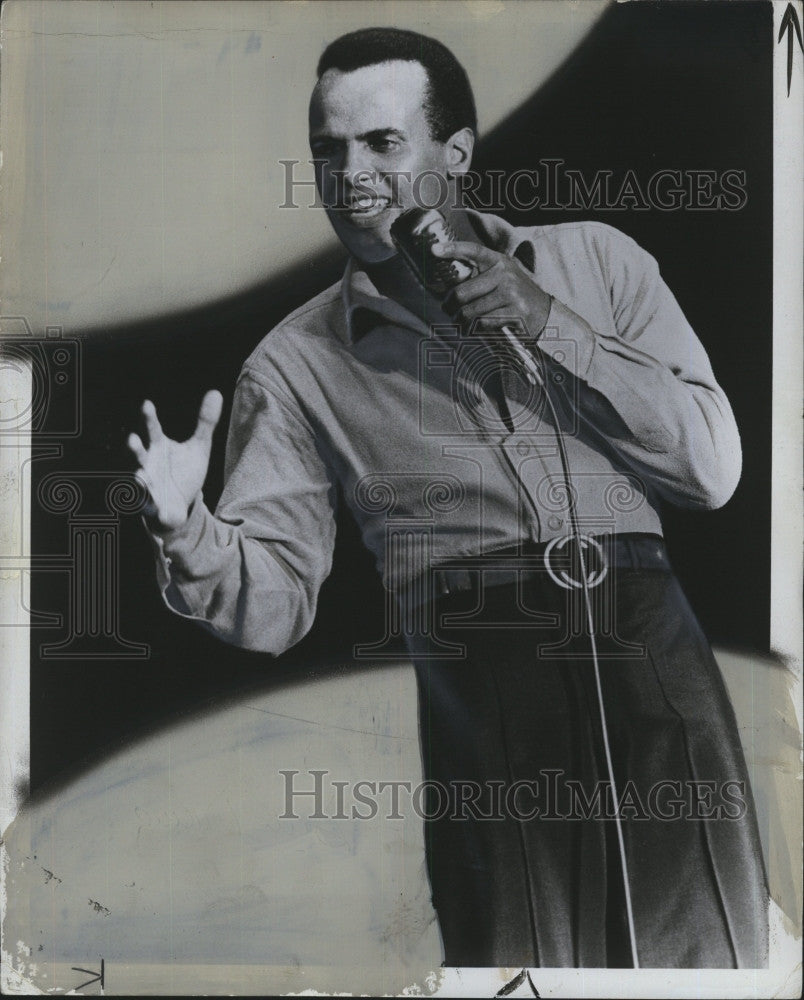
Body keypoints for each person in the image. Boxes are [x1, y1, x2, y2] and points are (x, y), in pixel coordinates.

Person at [127, 27, 768, 969]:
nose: (349, 175)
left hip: (657, 664)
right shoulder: (297, 364)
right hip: (489, 690)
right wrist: (188, 527)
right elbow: (274, 608)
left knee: (717, 963)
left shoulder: (599, 262)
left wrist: (552, 325)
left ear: (455, 154)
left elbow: (711, 471)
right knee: (525, 970)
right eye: (327, 150)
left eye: (381, 143)